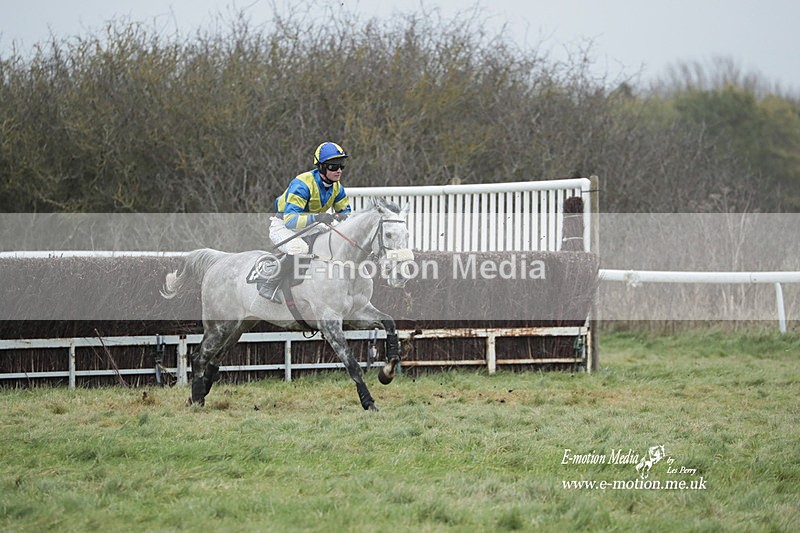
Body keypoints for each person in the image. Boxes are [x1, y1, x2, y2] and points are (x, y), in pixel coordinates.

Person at [258, 141, 352, 302]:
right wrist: (316, 217)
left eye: (341, 165)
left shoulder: (337, 187)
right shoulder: (302, 184)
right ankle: (269, 282)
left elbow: (346, 211)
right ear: (321, 167)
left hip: (310, 226)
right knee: (299, 248)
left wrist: (339, 217)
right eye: (333, 166)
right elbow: (290, 220)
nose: (339, 170)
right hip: (283, 226)